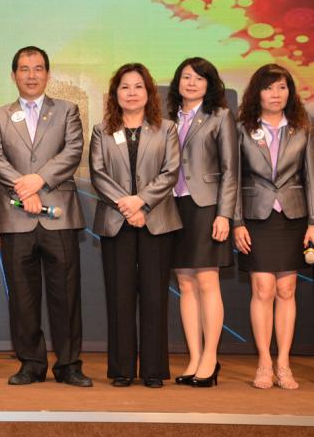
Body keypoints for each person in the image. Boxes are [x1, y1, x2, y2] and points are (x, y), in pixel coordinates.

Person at [0, 46, 91, 387]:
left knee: (66, 295)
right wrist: (24, 189)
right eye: (24, 69)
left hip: (59, 216)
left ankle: (69, 364)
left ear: (47, 74)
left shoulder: (68, 110)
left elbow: (73, 151)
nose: (31, 75)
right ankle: (31, 363)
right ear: (13, 75)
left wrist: (39, 180)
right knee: (23, 297)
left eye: (38, 68)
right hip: (16, 217)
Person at [89, 62, 181, 388]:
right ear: (115, 93)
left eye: (138, 86)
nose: (131, 93)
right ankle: (122, 369)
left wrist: (141, 202)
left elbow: (170, 172)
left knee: (155, 297)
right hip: (117, 221)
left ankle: (154, 370)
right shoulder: (101, 130)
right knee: (120, 297)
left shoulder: (166, 129)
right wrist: (127, 206)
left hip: (157, 220)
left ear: (149, 92)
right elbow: (98, 173)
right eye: (125, 87)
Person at [233, 63, 314, 390]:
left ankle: (284, 364)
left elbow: (311, 177)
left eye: (282, 87)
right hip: (255, 218)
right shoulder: (242, 129)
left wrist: (313, 221)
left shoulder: (302, 128)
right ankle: (264, 362)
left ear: (290, 92)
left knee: (287, 289)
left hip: (293, 218)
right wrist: (237, 221)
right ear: (258, 93)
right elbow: (233, 178)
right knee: (263, 289)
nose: (276, 94)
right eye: (269, 88)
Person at [167, 57, 237, 388]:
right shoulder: (167, 118)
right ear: (177, 82)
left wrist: (225, 214)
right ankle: (194, 357)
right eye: (186, 77)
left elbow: (231, 169)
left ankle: (211, 357)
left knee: (208, 281)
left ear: (209, 84)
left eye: (199, 78)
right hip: (172, 207)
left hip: (207, 207)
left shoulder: (220, 116)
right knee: (185, 283)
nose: (191, 83)